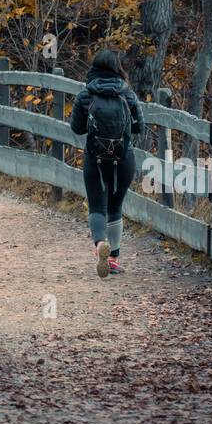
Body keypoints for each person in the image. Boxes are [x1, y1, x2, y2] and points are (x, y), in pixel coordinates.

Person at [70, 50, 144, 277]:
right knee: (115, 206)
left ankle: (100, 243)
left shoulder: (85, 94)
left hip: (95, 157)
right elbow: (140, 126)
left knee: (97, 206)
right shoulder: (128, 94)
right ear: (117, 68)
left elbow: (77, 128)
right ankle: (112, 259)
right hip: (124, 158)